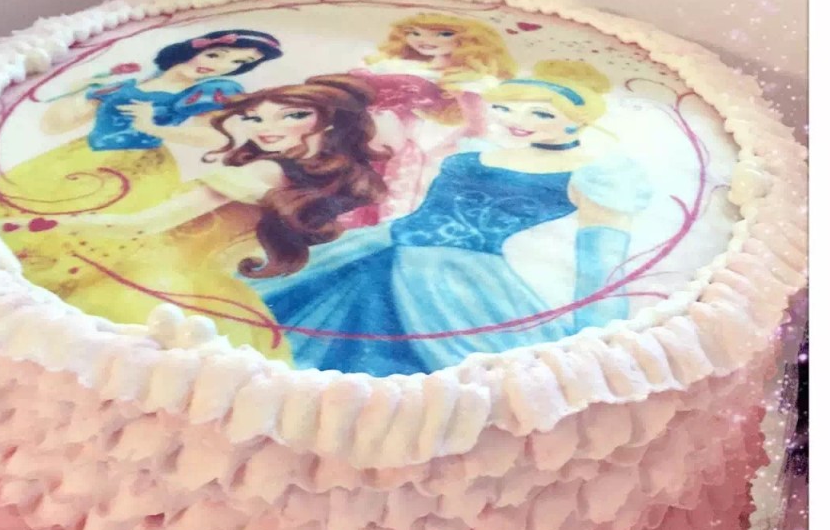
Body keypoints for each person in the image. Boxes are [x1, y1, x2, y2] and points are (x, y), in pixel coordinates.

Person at [251, 60, 653, 376]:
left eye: (542, 114)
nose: (518, 122)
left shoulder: (596, 175)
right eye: (506, 109)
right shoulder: (473, 151)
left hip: (458, 281)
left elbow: (602, 264)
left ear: (579, 119)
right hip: (374, 250)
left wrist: (601, 339)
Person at [0, 75, 387, 362]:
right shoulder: (311, 180)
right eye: (255, 118)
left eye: (292, 115)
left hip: (151, 279)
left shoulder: (263, 172)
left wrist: (52, 222)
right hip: (207, 290)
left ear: (329, 122)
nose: (267, 129)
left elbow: (142, 224)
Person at [0, 29, 283, 219]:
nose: (220, 66)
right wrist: (82, 90)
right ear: (192, 50)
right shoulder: (124, 84)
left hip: (139, 169)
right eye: (216, 54)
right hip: (73, 158)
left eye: (237, 63)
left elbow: (217, 138)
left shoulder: (212, 91)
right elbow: (55, 126)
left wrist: (155, 128)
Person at [340, 12, 518, 228]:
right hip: (370, 140)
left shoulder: (469, 79)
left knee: (401, 194)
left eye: (444, 34)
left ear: (471, 39)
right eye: (414, 32)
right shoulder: (392, 66)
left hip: (422, 142)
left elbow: (477, 125)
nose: (425, 40)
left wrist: (441, 148)